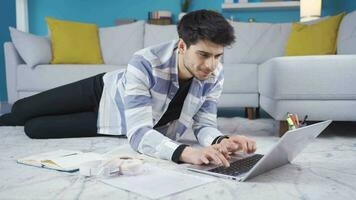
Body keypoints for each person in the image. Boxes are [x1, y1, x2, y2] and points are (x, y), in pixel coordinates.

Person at [0, 10, 256, 167]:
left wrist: (221, 140)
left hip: (114, 120)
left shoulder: (214, 73)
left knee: (35, 129)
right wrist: (183, 153)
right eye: (203, 54)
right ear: (181, 46)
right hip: (101, 92)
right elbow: (141, 134)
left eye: (218, 56)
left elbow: (203, 124)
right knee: (22, 110)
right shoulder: (145, 62)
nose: (211, 65)